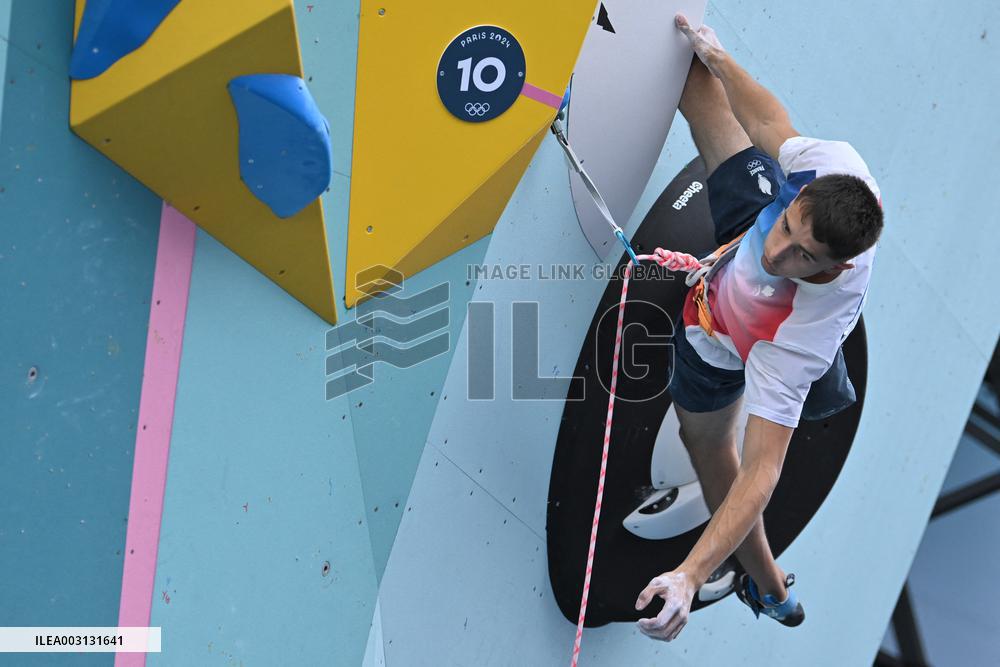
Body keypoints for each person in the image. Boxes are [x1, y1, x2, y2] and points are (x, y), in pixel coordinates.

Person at [634, 14, 883, 642]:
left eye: (805, 257)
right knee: (698, 90)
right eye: (791, 231)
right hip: (747, 224)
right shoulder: (830, 170)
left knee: (708, 445)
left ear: (839, 265)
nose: (781, 254)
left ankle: (766, 586)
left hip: (740, 335)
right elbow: (768, 121)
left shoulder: (800, 338)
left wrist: (689, 575)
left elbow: (760, 472)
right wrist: (717, 56)